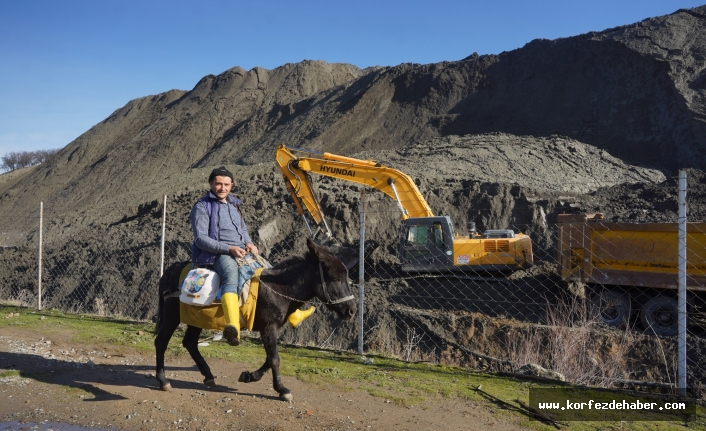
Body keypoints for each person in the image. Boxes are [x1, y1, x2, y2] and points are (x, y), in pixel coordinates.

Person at [190, 166, 313, 346]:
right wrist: (229, 249)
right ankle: (232, 327)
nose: (222, 188)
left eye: (226, 184)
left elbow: (243, 230)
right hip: (216, 254)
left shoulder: (234, 205)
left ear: (231, 185)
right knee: (231, 275)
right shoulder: (202, 207)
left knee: (271, 273)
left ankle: (294, 315)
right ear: (210, 184)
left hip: (241, 251)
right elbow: (200, 239)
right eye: (218, 184)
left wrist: (249, 243)